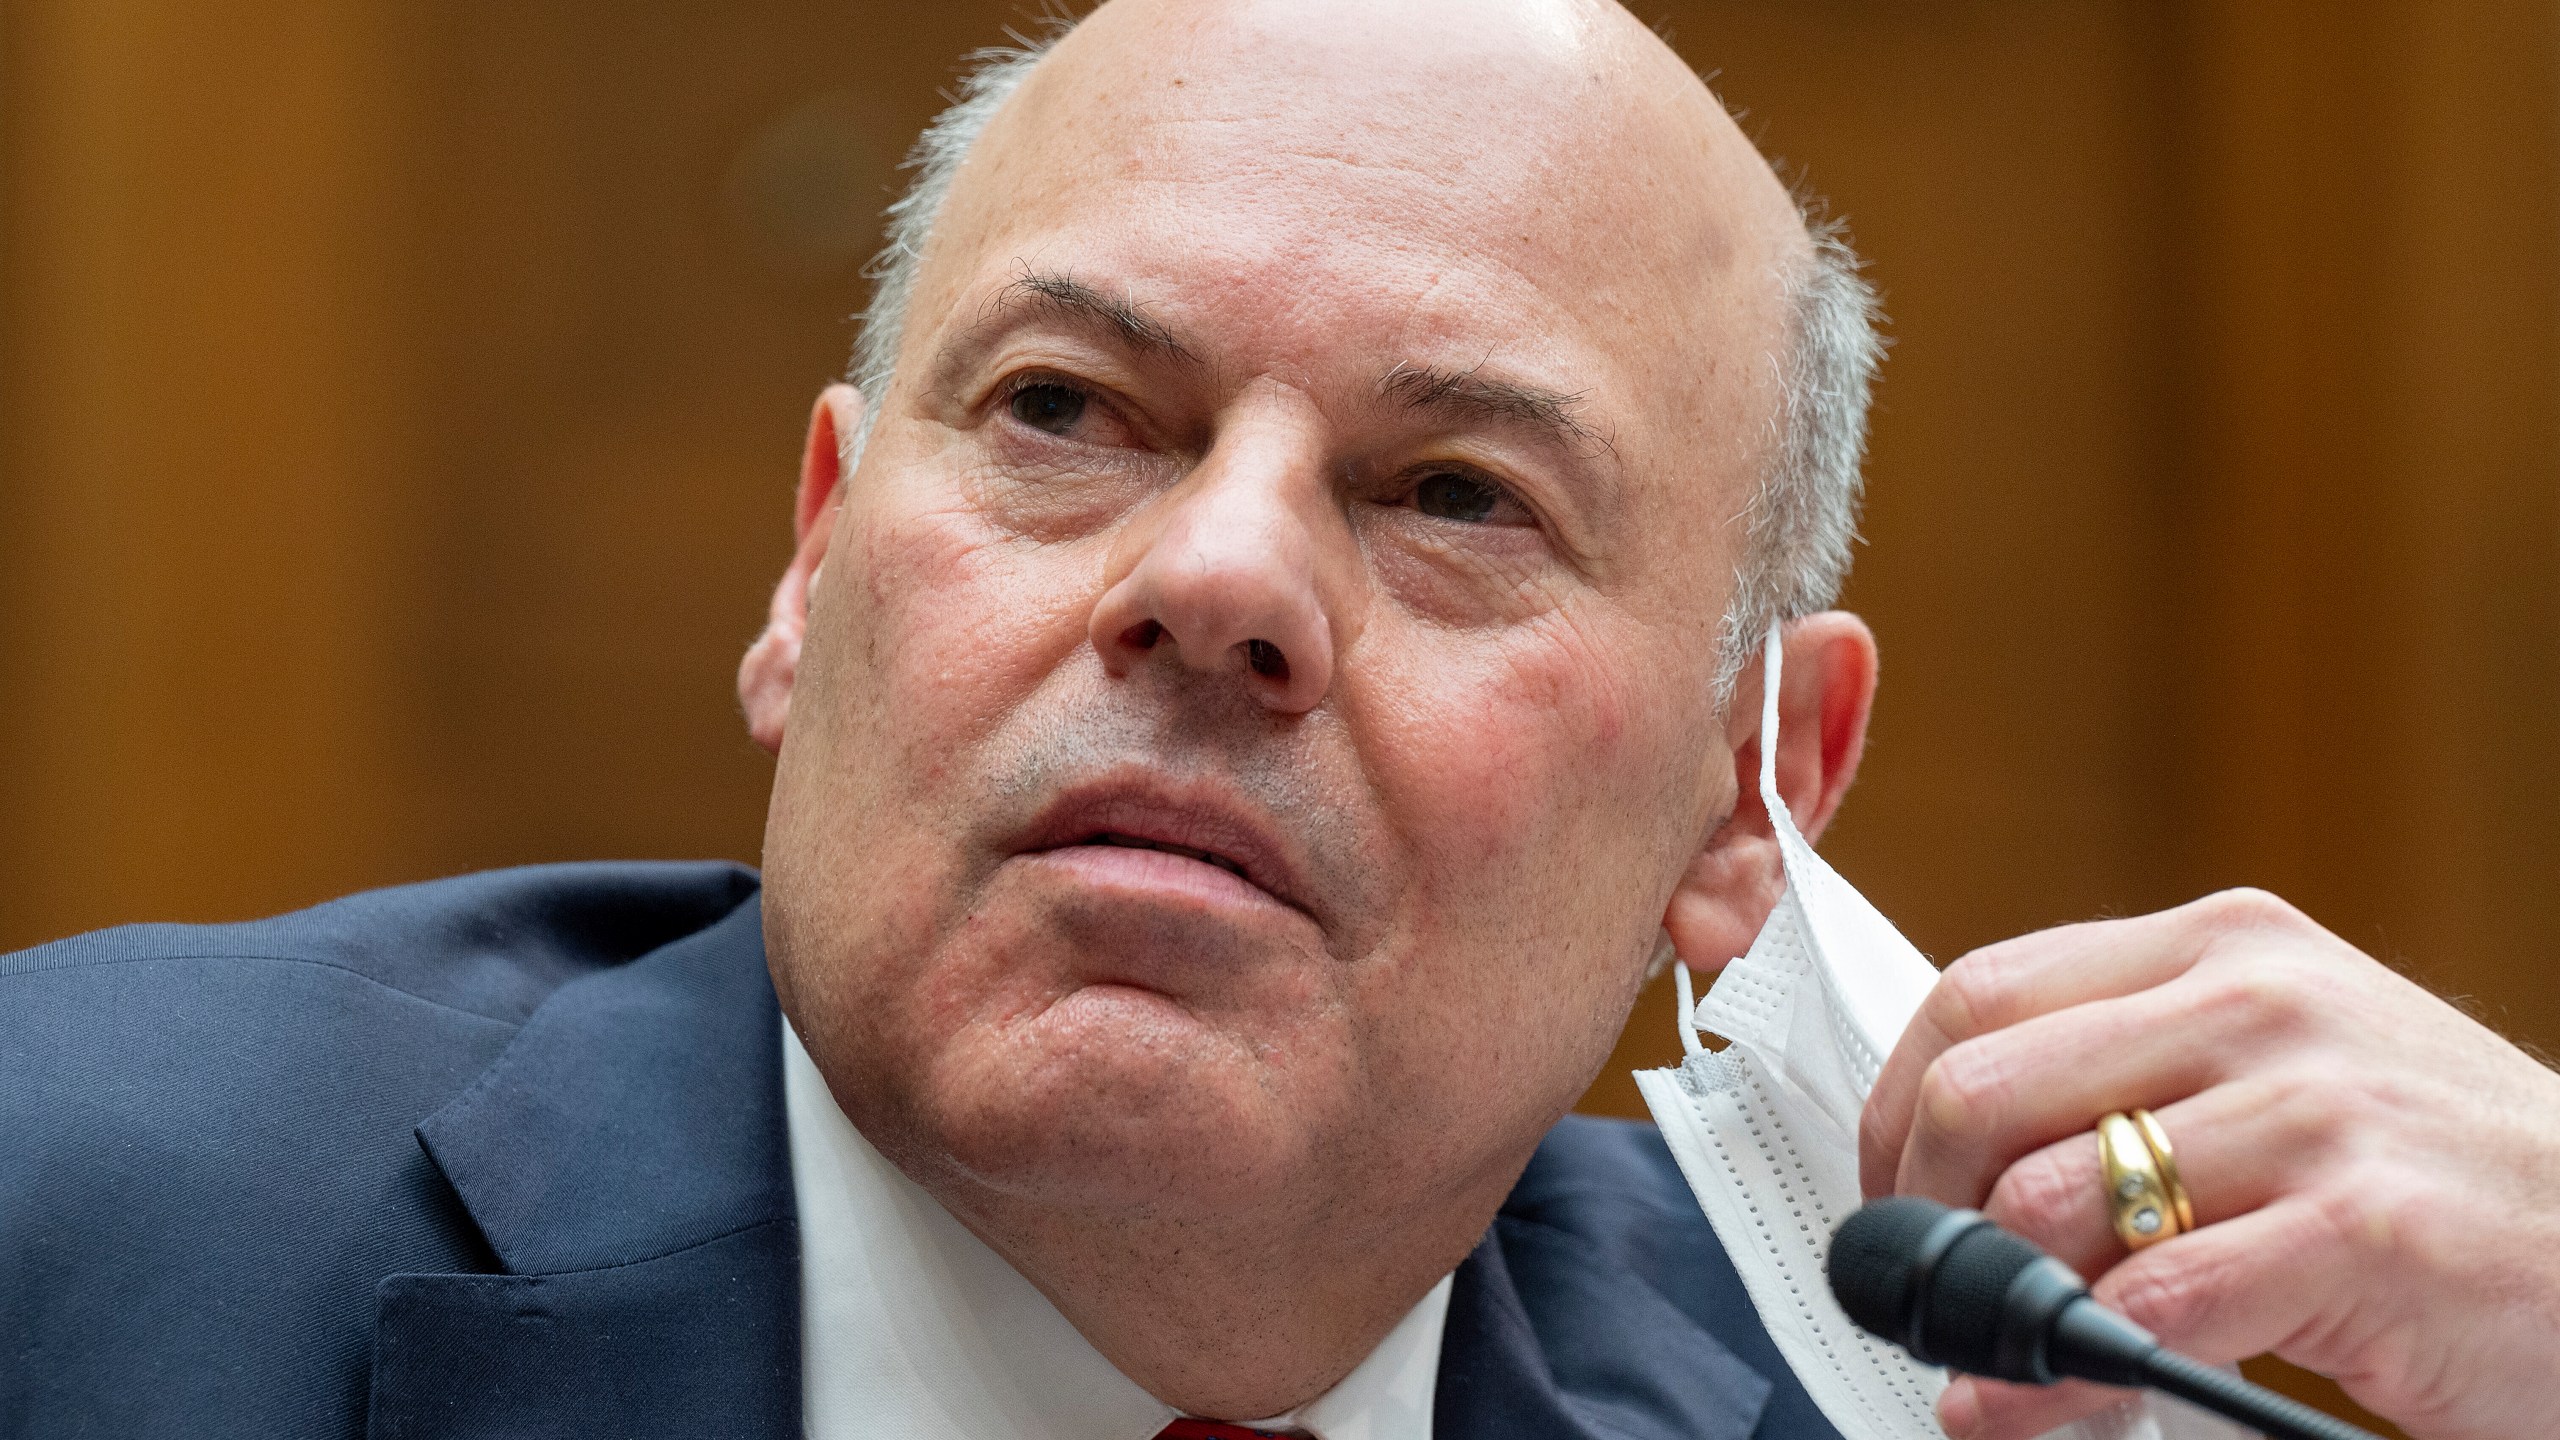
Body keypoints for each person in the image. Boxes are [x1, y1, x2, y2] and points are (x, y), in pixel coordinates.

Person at [3, 1, 2553, 1438]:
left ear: (1744, 796)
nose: (1212, 578)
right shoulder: (79, 1233)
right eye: (1063, 416)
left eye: (1450, 490)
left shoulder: (1919, 1408)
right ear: (811, 565)